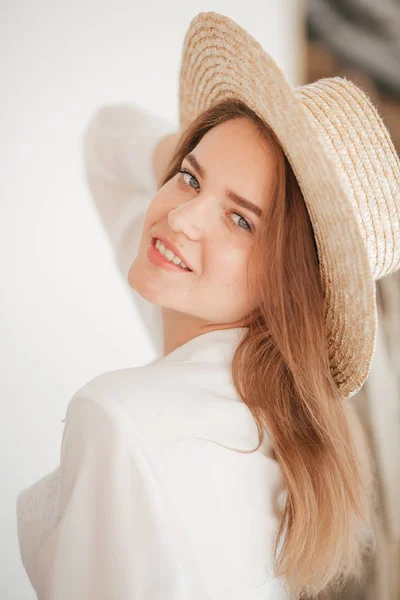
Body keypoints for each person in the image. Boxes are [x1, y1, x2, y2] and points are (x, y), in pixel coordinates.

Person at [15, 11, 400, 600]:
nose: (180, 216)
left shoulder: (120, 420)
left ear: (287, 284)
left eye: (241, 220)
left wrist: (213, 166)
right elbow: (106, 136)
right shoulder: (284, 423)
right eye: (189, 179)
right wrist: (223, 166)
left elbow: (107, 140)